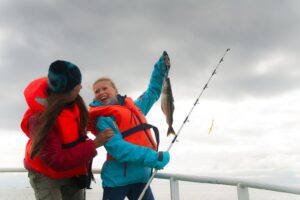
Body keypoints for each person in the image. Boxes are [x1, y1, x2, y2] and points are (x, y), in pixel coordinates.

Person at [20, 60, 114, 200]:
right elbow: (56, 160)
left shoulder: (73, 101)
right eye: (77, 87)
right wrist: (94, 144)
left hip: (72, 172)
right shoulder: (39, 119)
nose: (81, 87)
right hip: (46, 174)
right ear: (65, 92)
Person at [88, 51, 171, 200]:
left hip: (141, 178)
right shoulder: (103, 119)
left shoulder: (134, 107)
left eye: (105, 88)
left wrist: (161, 69)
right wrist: (153, 157)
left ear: (115, 90)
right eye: (96, 91)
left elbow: (152, 92)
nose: (101, 92)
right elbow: (119, 149)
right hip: (116, 182)